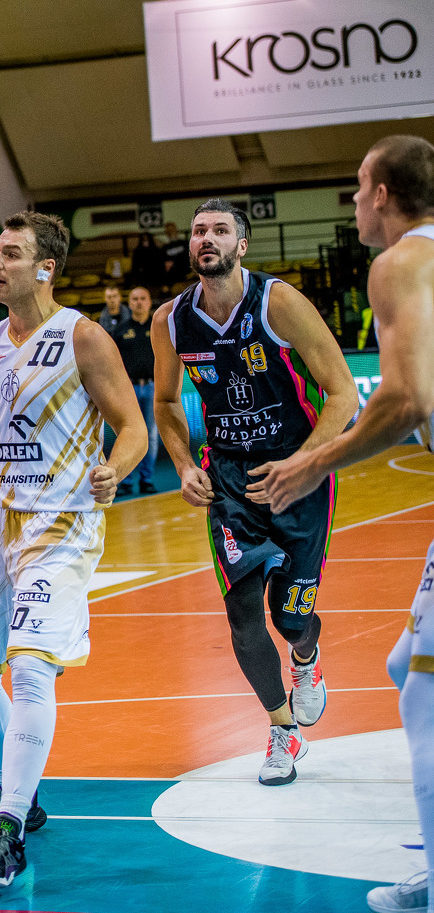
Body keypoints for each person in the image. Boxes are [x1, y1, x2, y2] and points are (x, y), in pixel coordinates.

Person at [0, 211, 147, 889]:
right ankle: (15, 793)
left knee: (32, 668)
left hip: (61, 522)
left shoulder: (83, 337)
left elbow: (131, 427)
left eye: (10, 253)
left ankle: (9, 832)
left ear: (45, 268)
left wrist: (116, 467)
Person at [248, 135, 434, 913]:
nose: (354, 202)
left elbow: (405, 399)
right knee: (404, 666)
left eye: (359, 187)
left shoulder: (399, 263)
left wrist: (313, 462)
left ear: (383, 194)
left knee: (422, 697)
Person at [153, 197, 357, 788]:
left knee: (290, 619)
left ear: (242, 245)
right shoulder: (171, 320)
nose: (205, 238)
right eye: (198, 231)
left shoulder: (279, 303)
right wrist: (184, 464)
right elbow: (165, 402)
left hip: (298, 471)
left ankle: (305, 658)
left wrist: (304, 462)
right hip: (229, 480)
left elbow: (343, 393)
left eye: (219, 230)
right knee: (243, 615)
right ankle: (282, 729)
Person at [112, 287, 158, 496]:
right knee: (126, 433)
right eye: (135, 299)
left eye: (143, 298)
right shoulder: (121, 330)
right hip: (128, 388)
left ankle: (146, 480)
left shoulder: (158, 327)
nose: (139, 302)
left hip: (153, 386)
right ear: (129, 303)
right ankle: (126, 481)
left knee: (151, 434)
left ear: (149, 302)